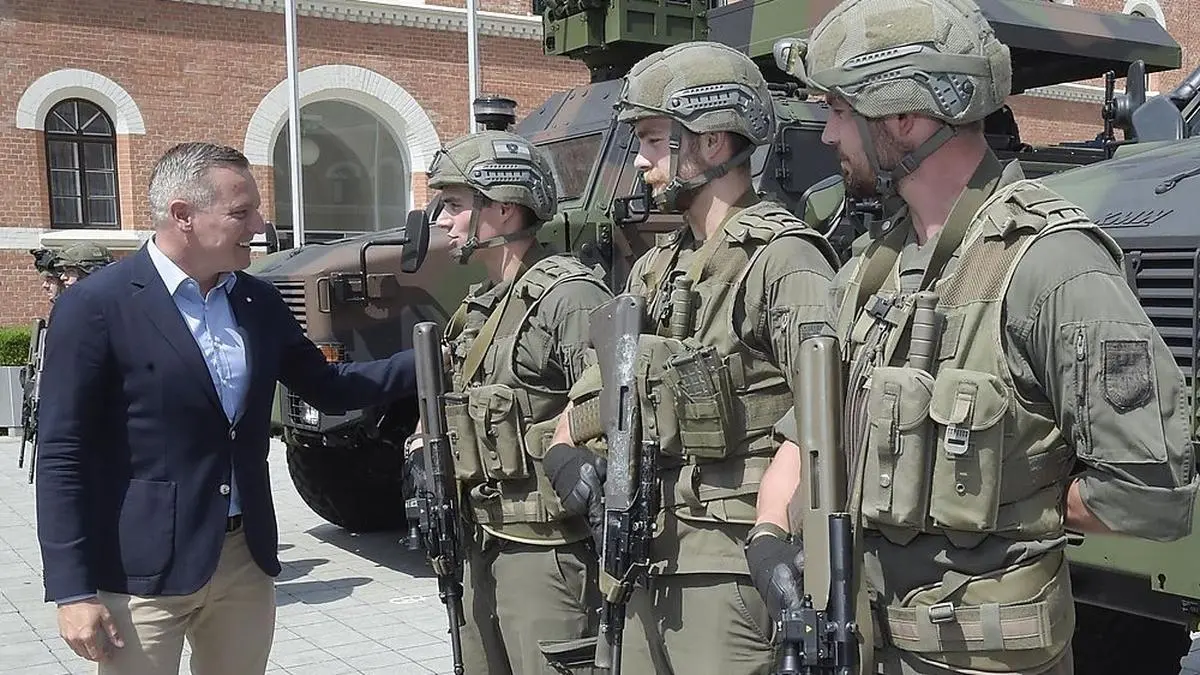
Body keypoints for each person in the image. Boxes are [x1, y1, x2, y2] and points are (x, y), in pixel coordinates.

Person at [751, 0, 1200, 673]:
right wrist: (767, 539)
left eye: (840, 110)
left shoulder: (1054, 266)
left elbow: (1152, 491)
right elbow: (806, 433)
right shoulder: (870, 269)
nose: (828, 134)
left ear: (903, 117)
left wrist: (1012, 495)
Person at [35, 141, 419, 675]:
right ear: (183, 216)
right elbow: (62, 452)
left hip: (243, 561)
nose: (260, 225)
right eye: (242, 212)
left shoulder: (256, 301)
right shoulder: (96, 305)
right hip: (141, 571)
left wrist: (431, 358)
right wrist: (72, 590)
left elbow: (329, 387)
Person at [544, 41, 841, 674]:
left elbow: (824, 415)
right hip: (648, 550)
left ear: (710, 140)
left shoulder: (784, 261)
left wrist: (772, 534)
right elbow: (601, 385)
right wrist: (564, 448)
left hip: (728, 564)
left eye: (654, 141)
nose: (641, 162)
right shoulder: (655, 268)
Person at [406, 129, 610, 674]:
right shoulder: (479, 307)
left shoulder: (570, 296)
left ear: (503, 207)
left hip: (547, 553)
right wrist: (421, 448)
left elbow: (613, 404)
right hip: (481, 538)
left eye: (454, 204)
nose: (443, 221)